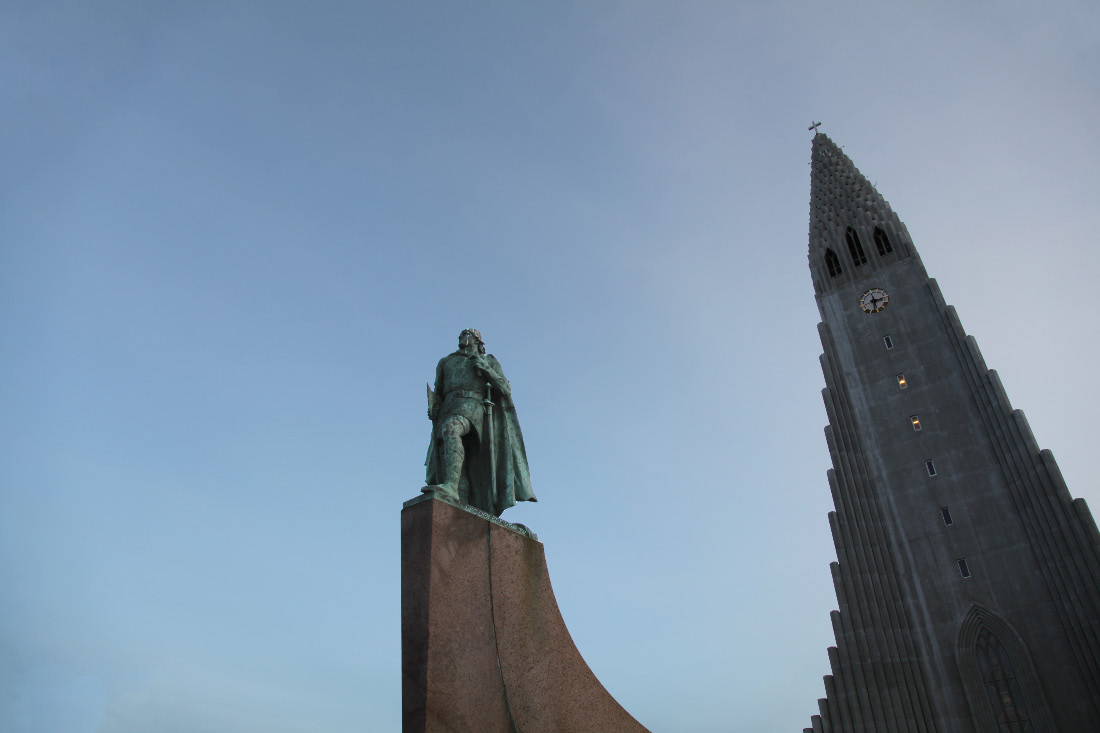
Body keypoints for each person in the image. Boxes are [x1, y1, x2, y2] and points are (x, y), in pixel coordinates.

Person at [423, 329, 536, 516]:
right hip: (448, 407)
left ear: (476, 340)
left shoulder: (488, 360)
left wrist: (486, 369)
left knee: (452, 429)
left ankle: (450, 486)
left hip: (472, 405)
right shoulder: (446, 362)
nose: (461, 337)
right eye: (459, 335)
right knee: (458, 459)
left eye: (465, 334)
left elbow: (505, 390)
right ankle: (460, 500)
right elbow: (439, 392)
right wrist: (434, 407)